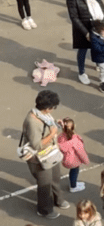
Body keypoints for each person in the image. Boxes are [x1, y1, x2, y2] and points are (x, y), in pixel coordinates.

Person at [19, 90, 67, 219]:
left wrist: (56, 124)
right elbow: (36, 145)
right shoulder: (32, 122)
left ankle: (58, 199)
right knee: (45, 185)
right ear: (47, 108)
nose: (54, 109)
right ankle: (44, 209)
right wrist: (52, 134)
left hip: (50, 153)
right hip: (39, 158)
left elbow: (48, 126)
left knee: (55, 177)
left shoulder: (41, 114)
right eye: (53, 107)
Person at [66, 0, 104, 86]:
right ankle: (81, 72)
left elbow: (101, 5)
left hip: (97, 25)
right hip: (83, 28)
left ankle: (99, 64)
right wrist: (86, 33)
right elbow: (74, 17)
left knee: (98, 47)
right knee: (83, 51)